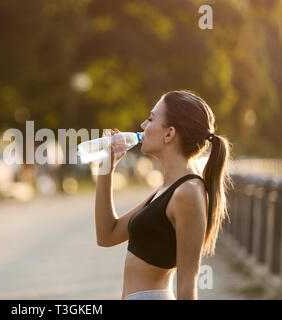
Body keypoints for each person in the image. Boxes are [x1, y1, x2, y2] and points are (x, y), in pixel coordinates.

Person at [95, 90, 231, 300]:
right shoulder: (167, 188)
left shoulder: (188, 192)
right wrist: (106, 168)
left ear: (169, 134)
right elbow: (107, 235)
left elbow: (187, 286)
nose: (142, 125)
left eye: (150, 119)